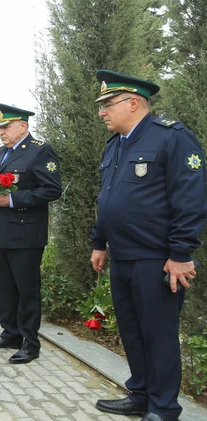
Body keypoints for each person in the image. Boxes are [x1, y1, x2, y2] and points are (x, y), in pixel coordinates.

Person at [90, 70, 207, 421]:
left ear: (133, 103)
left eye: (108, 104)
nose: (102, 112)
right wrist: (99, 242)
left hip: (157, 259)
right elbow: (107, 200)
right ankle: (140, 394)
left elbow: (190, 200)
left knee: (159, 334)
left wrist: (180, 253)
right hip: (122, 256)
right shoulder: (115, 145)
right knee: (132, 331)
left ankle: (163, 407)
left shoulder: (171, 138)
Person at [0, 103, 62, 364]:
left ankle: (30, 342)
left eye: (7, 126)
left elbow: (52, 189)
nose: (1, 132)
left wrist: (13, 200)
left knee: (27, 290)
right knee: (6, 288)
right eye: (0, 127)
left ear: (23, 126)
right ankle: (10, 332)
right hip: (0, 232)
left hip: (26, 234)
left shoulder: (39, 151)